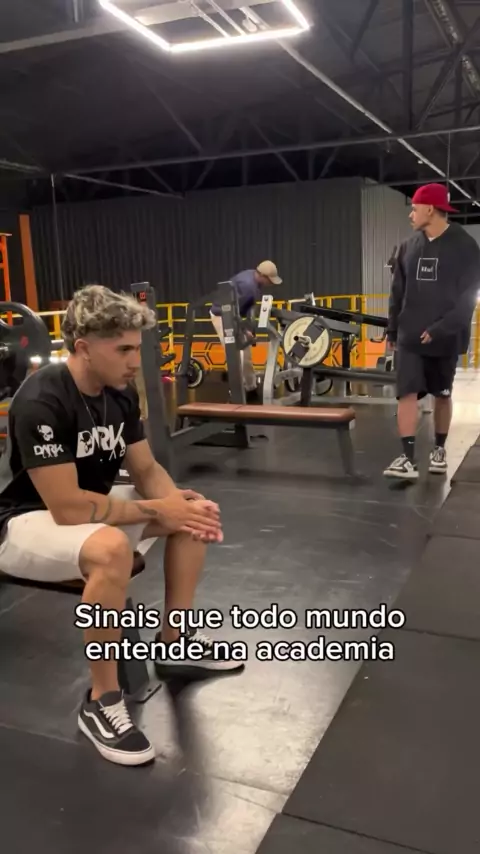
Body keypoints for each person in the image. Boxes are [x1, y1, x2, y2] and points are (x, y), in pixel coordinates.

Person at [0, 285, 243, 767]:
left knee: (191, 509)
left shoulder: (120, 394)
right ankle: (102, 700)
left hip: (83, 513)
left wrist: (174, 506)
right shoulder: (42, 399)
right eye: (124, 349)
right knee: (112, 547)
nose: (135, 361)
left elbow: (146, 468)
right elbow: (67, 508)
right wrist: (156, 511)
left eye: (137, 348)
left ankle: (174, 643)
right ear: (84, 347)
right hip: (23, 522)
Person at [384, 183, 480, 480]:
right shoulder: (407, 247)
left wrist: (441, 328)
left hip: (445, 337)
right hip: (410, 337)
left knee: (442, 393)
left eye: (414, 208)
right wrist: (392, 331)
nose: (410, 214)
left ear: (430, 209)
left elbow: (468, 298)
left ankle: (439, 449)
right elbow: (396, 293)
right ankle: (407, 458)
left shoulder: (465, 247)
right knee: (406, 393)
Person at [210, 260, 282, 402]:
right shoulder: (247, 286)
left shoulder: (254, 279)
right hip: (222, 316)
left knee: (246, 354)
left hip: (234, 315)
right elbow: (232, 312)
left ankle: (251, 388)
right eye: (270, 280)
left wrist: (249, 328)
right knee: (237, 355)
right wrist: (244, 329)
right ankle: (236, 392)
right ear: (262, 275)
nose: (271, 283)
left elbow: (248, 307)